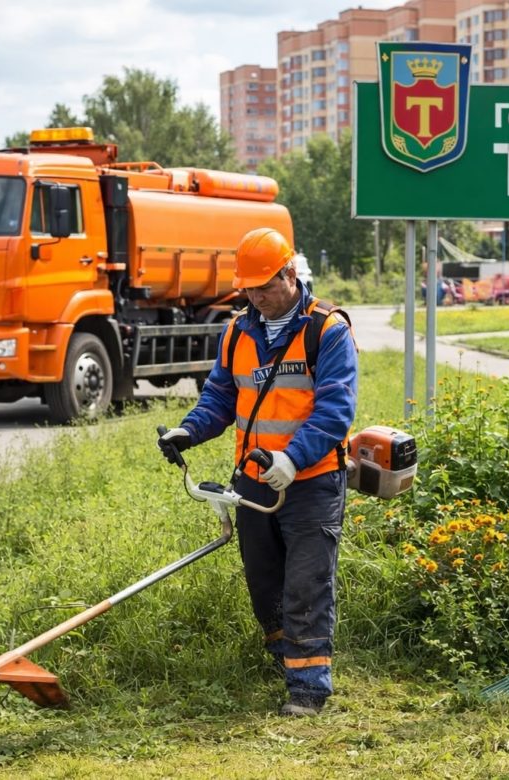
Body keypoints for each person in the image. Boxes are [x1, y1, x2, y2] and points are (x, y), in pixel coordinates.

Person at [158, 228, 358, 716]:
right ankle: (284, 659)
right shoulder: (238, 331)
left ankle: (309, 687)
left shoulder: (326, 330)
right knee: (264, 579)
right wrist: (188, 432)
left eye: (265, 286)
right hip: (252, 479)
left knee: (307, 583)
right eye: (248, 289)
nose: (256, 297)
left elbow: (335, 410)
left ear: (290, 274)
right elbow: (221, 398)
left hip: (310, 481)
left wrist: (292, 458)